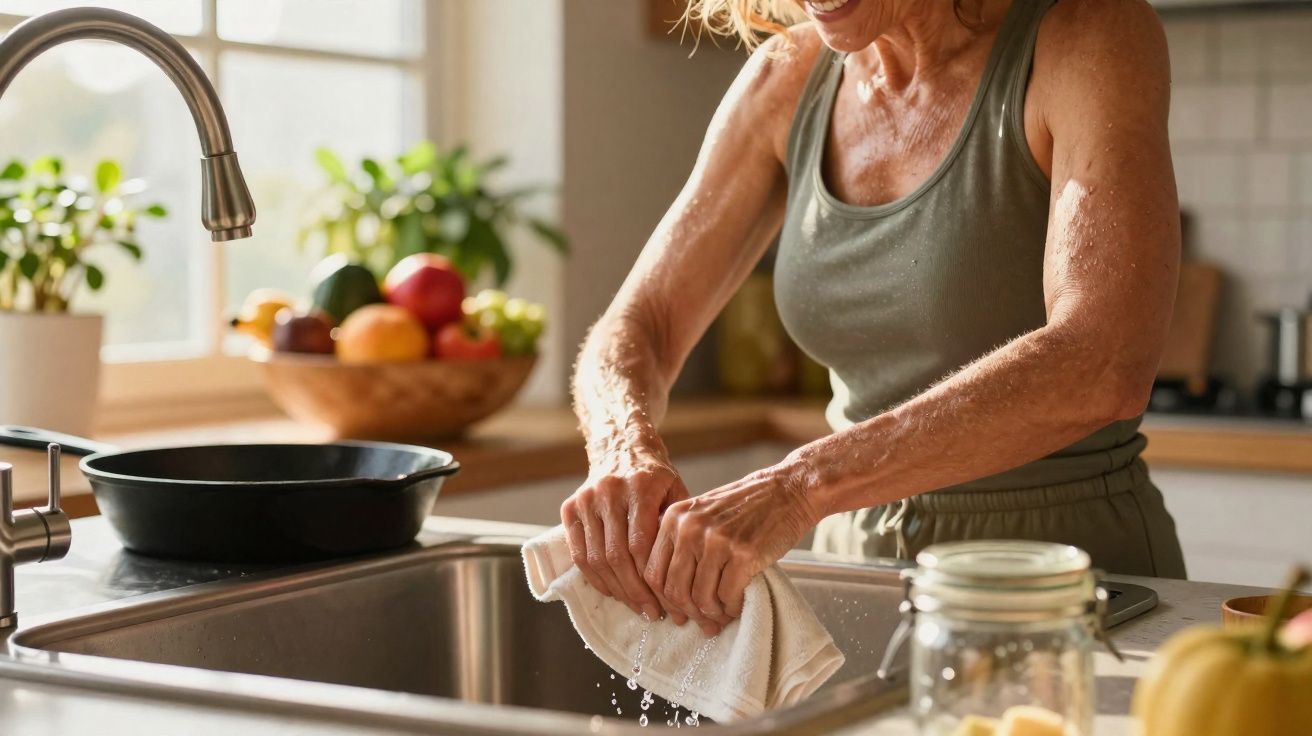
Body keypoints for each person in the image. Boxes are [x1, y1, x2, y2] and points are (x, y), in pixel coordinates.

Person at [562, 0, 1186, 638]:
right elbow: (641, 324)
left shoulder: (1087, 34)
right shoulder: (787, 76)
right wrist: (621, 447)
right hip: (852, 580)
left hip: (1061, 577)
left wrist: (800, 485)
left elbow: (1103, 361)